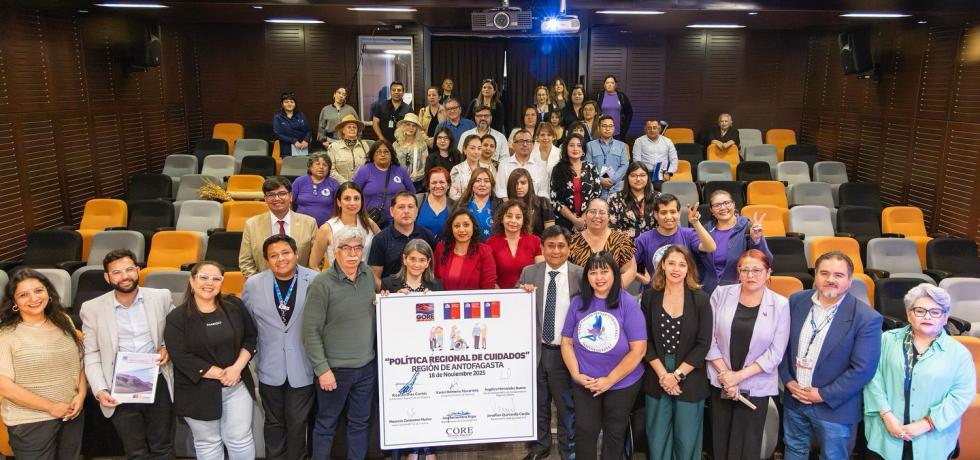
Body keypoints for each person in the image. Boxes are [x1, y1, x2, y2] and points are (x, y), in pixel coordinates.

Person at [779, 251, 883, 460]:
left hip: (835, 409)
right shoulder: (796, 301)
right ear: (815, 275)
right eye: (824, 273)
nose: (830, 279)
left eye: (838, 275)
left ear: (850, 280)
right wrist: (788, 381)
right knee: (794, 451)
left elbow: (863, 370)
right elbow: (781, 346)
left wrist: (822, 395)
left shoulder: (866, 317)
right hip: (795, 398)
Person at [864, 284, 975, 460]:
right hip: (886, 431)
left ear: (945, 318)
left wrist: (927, 423)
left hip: (933, 439)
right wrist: (887, 415)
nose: (927, 316)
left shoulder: (959, 353)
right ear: (909, 314)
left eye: (935, 312)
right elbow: (873, 378)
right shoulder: (886, 340)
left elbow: (961, 394)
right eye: (920, 311)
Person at [81, 249, 174, 459]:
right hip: (120, 384)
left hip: (157, 379)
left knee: (163, 447)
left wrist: (167, 347)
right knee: (135, 451)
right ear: (107, 277)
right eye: (117, 272)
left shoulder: (161, 297)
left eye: (129, 269)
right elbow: (91, 353)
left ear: (138, 270)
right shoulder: (92, 308)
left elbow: (177, 332)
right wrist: (100, 390)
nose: (125, 276)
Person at [165, 261, 258, 460]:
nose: (210, 283)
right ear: (192, 281)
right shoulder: (177, 317)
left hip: (236, 385)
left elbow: (250, 338)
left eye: (216, 278)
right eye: (204, 277)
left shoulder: (235, 306)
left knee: (240, 440)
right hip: (196, 390)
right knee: (208, 443)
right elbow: (180, 356)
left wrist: (236, 369)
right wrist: (220, 373)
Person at [560, 252, 646, 460]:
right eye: (593, 272)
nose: (599, 277)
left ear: (614, 273)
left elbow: (638, 350)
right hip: (586, 382)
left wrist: (609, 380)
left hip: (622, 383)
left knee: (614, 434)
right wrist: (576, 375)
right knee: (585, 431)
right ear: (587, 276)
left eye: (604, 271)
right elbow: (567, 342)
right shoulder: (578, 303)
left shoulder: (628, 303)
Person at [302, 226, 379, 460]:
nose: (353, 254)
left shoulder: (367, 275)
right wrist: (322, 370)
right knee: (326, 424)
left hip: (366, 368)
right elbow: (310, 331)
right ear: (335, 251)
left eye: (358, 248)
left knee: (359, 424)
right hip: (334, 371)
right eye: (346, 248)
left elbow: (376, 305)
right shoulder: (321, 283)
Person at [706, 249, 790, 460]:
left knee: (747, 447)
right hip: (721, 382)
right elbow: (708, 339)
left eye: (757, 270)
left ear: (768, 273)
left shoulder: (780, 304)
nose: (750, 275)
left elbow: (775, 353)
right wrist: (727, 377)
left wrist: (737, 378)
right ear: (738, 273)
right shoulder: (721, 294)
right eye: (745, 270)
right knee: (720, 443)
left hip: (755, 386)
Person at [241, 235, 317, 460]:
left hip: (304, 366)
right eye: (273, 255)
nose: (280, 259)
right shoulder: (253, 284)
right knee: (274, 423)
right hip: (269, 366)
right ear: (267, 260)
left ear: (296, 254)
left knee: (298, 423)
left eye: (285, 253)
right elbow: (248, 325)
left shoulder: (315, 280)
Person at [0, 269, 86, 459]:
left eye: (38, 290)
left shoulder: (63, 321)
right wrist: (51, 407)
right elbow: (5, 387)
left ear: (49, 292)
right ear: (14, 302)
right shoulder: (5, 334)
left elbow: (78, 364)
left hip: (71, 414)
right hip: (30, 422)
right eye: (23, 294)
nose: (34, 298)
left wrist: (80, 396)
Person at [639, 245, 711, 460]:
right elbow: (645, 340)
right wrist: (664, 376)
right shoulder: (650, 297)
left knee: (686, 440)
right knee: (657, 438)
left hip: (689, 374)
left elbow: (703, 344)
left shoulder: (700, 299)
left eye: (682, 264)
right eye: (671, 263)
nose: (676, 269)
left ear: (689, 269)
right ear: (662, 265)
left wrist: (676, 376)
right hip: (657, 373)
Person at [517, 225, 581, 460]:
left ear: (569, 248)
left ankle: (569, 451)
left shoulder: (580, 275)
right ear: (542, 248)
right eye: (550, 246)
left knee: (566, 406)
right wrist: (521, 292)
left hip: (565, 353)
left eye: (561, 246)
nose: (556, 251)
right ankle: (539, 447)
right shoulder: (529, 273)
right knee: (539, 403)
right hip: (536, 350)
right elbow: (514, 307)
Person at [239, 176, 319, 278]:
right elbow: (245, 262)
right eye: (271, 195)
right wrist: (260, 284)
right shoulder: (252, 225)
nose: (277, 198)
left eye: (282, 193)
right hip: (263, 284)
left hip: (302, 283)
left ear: (290, 196)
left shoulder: (309, 223)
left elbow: (316, 261)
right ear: (265, 199)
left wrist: (305, 282)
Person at [634, 194, 716, 286]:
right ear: (656, 215)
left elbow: (711, 248)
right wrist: (643, 279)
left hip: (685, 291)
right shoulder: (644, 239)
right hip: (655, 292)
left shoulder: (689, 234)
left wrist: (696, 222)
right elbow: (625, 266)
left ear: (679, 214)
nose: (669, 217)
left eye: (673, 212)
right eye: (663, 213)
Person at [700, 190, 772, 293]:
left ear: (734, 205)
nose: (723, 208)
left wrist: (756, 240)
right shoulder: (704, 230)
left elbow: (766, 261)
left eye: (727, 203)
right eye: (717, 205)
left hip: (739, 290)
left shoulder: (748, 228)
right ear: (711, 210)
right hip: (708, 291)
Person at [368, 191, 438, 283]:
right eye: (401, 207)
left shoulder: (428, 236)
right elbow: (374, 278)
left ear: (416, 211)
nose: (406, 211)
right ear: (391, 211)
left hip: (423, 290)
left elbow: (434, 271)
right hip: (391, 291)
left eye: (410, 207)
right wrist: (388, 290)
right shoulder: (380, 240)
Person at [309, 182, 380, 270]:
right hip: (337, 278)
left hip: (366, 277)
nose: (352, 203)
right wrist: (327, 279)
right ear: (339, 202)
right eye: (347, 199)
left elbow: (383, 248)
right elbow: (313, 265)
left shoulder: (369, 223)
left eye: (356, 198)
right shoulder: (327, 229)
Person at [568, 198, 637, 287]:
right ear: (585, 215)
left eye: (602, 212)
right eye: (592, 212)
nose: (597, 216)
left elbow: (630, 271)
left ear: (609, 217)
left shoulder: (621, 239)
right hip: (580, 292)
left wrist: (611, 290)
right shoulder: (572, 241)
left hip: (612, 292)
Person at [353, 140, 416, 228]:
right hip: (371, 220)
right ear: (373, 155)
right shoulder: (364, 171)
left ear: (391, 154)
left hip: (398, 221)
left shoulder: (400, 170)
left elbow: (412, 192)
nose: (382, 154)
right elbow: (354, 194)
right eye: (378, 152)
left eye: (386, 152)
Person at [433, 208, 497, 290]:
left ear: (473, 227)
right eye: (457, 226)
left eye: (466, 225)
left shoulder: (484, 251)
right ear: (451, 229)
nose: (461, 230)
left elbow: (488, 286)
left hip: (475, 298)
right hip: (445, 298)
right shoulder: (441, 248)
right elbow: (433, 279)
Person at [486, 200, 543, 289]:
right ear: (502, 219)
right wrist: (500, 294)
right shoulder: (490, 243)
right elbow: (489, 277)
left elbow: (540, 273)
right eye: (509, 216)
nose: (513, 220)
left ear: (524, 220)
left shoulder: (535, 241)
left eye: (518, 217)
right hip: (499, 294)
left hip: (528, 293)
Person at [551, 133, 600, 232]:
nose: (575, 148)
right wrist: (574, 220)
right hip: (564, 222)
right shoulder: (558, 169)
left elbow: (596, 194)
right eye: (571, 145)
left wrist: (582, 219)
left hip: (589, 219)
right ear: (566, 148)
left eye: (579, 145)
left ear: (583, 150)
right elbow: (555, 200)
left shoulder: (591, 168)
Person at [608, 162, 658, 239]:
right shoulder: (614, 199)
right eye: (633, 175)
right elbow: (611, 226)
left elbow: (663, 224)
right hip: (624, 243)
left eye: (642, 175)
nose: (638, 179)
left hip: (653, 242)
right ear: (627, 178)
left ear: (648, 177)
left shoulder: (658, 198)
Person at [291, 153, 342, 226]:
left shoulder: (334, 184)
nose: (321, 167)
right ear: (310, 167)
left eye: (325, 165)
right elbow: (289, 202)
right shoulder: (299, 181)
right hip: (301, 225)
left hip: (327, 227)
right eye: (318, 164)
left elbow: (340, 206)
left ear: (329, 169)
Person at [496, 129, 549, 199]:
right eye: (521, 141)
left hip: (534, 205)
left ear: (533, 145)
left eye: (528, 141)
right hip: (510, 204)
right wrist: (512, 206)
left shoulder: (540, 166)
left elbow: (543, 193)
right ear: (513, 145)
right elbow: (501, 192)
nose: (525, 144)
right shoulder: (504, 164)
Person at [585, 116, 629, 198]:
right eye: (604, 126)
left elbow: (624, 165)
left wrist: (612, 180)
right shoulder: (590, 145)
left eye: (610, 126)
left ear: (614, 128)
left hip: (616, 188)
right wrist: (600, 180)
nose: (607, 129)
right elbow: (588, 167)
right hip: (596, 189)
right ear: (599, 128)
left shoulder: (622, 146)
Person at [507, 168, 555, 235]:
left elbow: (550, 235)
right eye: (515, 183)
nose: (519, 187)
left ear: (529, 184)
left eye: (523, 183)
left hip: (539, 241)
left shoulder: (543, 203)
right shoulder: (505, 206)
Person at [456, 167, 500, 240]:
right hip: (468, 245)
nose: (482, 184)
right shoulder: (462, 205)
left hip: (492, 246)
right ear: (472, 184)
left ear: (491, 185)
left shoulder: (500, 205)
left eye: (486, 181)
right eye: (478, 181)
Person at [327, 114, 371, 183]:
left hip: (361, 184)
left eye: (354, 127)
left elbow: (369, 166)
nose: (352, 129)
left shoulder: (364, 145)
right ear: (343, 130)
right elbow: (331, 170)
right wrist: (345, 183)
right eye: (349, 127)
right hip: (341, 185)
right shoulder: (334, 147)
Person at [450, 135, 495, 201]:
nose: (476, 152)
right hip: (463, 205)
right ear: (464, 149)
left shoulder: (488, 168)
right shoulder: (457, 169)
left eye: (479, 148)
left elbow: (491, 192)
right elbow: (453, 195)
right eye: (472, 148)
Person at [632, 120, 678, 184]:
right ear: (645, 129)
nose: (652, 130)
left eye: (654, 128)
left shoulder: (667, 141)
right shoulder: (639, 141)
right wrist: (641, 173)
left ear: (659, 129)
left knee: (660, 187)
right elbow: (637, 160)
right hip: (645, 172)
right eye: (649, 128)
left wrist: (669, 173)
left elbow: (674, 160)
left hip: (662, 172)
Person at [393, 113, 429, 191]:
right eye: (408, 124)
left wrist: (413, 178)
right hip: (398, 183)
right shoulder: (395, 145)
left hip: (417, 184)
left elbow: (424, 166)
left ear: (417, 129)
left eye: (414, 126)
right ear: (403, 126)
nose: (411, 128)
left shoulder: (422, 145)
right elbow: (392, 165)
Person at [416, 167, 455, 237]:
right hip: (418, 243)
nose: (438, 186)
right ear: (428, 185)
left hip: (445, 244)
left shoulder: (454, 206)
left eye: (442, 182)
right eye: (434, 182)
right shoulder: (417, 200)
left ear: (448, 185)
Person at [594, 75, 633, 141]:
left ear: (615, 85)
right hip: (601, 132)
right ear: (604, 85)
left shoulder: (622, 96)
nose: (609, 84)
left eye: (612, 83)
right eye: (607, 83)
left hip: (618, 134)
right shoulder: (599, 96)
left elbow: (629, 113)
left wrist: (624, 129)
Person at [274, 91, 312, 157]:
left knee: (303, 163)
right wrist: (293, 141)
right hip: (287, 150)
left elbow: (309, 130)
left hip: (302, 148)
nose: (289, 104)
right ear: (282, 104)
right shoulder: (278, 117)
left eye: (292, 102)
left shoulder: (301, 115)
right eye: (286, 102)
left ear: (295, 104)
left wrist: (306, 140)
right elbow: (277, 134)